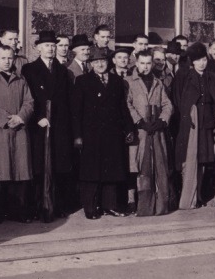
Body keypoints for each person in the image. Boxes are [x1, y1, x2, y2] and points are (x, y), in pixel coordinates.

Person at [72, 47, 136, 219]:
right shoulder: (82, 81)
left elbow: (123, 108)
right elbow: (76, 112)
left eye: (103, 61)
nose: (100, 64)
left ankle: (110, 205)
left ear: (108, 62)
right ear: (91, 64)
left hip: (113, 133)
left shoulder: (116, 81)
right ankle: (91, 207)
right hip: (91, 135)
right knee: (91, 172)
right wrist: (78, 136)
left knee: (112, 171)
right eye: (96, 61)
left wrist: (129, 129)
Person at [22, 30, 73, 222]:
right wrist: (37, 117)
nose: (50, 49)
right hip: (39, 125)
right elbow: (27, 98)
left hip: (59, 125)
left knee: (57, 166)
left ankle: (55, 205)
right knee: (39, 167)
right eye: (47, 46)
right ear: (38, 48)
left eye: (53, 45)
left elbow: (66, 99)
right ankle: (38, 206)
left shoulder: (62, 70)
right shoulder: (29, 69)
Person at [0, 45, 34, 224]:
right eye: (3, 58)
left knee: (20, 172)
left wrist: (20, 117)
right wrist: (5, 119)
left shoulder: (21, 79)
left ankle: (19, 212)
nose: (6, 61)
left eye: (10, 58)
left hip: (19, 130)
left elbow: (29, 101)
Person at [173, 42, 215, 209]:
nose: (202, 63)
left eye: (204, 59)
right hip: (192, 124)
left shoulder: (212, 76)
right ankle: (189, 195)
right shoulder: (184, 76)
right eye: (198, 60)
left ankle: (200, 194)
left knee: (204, 161)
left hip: (207, 124)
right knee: (190, 160)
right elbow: (179, 100)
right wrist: (187, 117)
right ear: (192, 62)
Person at [126, 50, 173, 216]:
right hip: (140, 132)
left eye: (148, 63)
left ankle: (159, 203)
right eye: (142, 63)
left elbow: (167, 104)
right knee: (139, 166)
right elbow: (127, 104)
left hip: (156, 131)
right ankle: (139, 203)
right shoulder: (129, 82)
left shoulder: (157, 82)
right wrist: (139, 121)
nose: (145, 67)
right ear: (136, 63)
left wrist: (161, 120)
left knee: (158, 165)